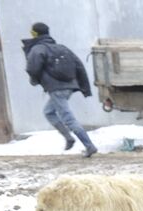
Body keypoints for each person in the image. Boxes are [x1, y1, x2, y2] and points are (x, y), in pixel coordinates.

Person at [22, 22, 97, 158]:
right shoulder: (61, 48)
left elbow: (32, 68)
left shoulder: (38, 48)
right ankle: (68, 138)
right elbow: (79, 65)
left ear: (35, 34)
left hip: (56, 88)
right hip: (68, 87)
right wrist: (84, 87)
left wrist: (34, 79)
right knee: (49, 112)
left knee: (68, 119)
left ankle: (89, 146)